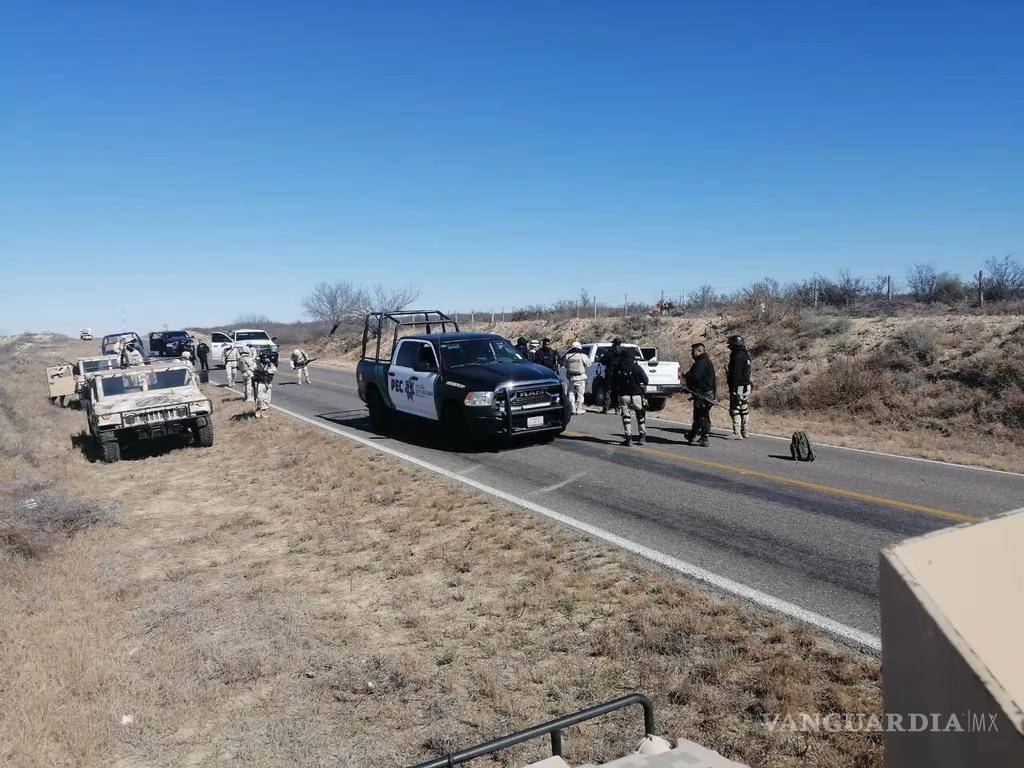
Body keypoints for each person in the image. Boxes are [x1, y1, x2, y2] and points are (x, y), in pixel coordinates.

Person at [683, 342, 717, 447]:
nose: (692, 354)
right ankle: (692, 435)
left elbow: (695, 377)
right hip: (704, 392)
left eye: (693, 351)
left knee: (703, 415)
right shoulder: (704, 361)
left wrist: (686, 378)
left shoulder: (701, 362)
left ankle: (704, 437)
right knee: (698, 415)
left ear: (699, 351)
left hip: (704, 394)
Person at [614, 347, 649, 446]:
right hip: (637, 395)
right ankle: (642, 437)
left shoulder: (619, 368)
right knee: (640, 416)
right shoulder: (636, 367)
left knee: (626, 417)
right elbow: (646, 380)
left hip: (624, 396)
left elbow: (615, 382)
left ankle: (628, 438)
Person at [727, 334, 752, 439]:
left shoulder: (737, 356)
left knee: (735, 408)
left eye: (731, 345)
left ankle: (737, 433)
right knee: (744, 408)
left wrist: (733, 387)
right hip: (747, 384)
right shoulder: (746, 355)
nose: (729, 347)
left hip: (739, 386)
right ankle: (745, 431)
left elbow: (736, 374)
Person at [599, 338, 629, 414]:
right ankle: (617, 409)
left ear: (614, 343)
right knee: (617, 391)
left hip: (609, 373)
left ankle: (606, 408)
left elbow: (603, 361)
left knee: (607, 390)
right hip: (619, 373)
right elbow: (627, 360)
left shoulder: (609, 351)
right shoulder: (623, 352)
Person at [562, 341, 589, 415]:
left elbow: (564, 365)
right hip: (581, 377)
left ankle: (573, 409)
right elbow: (588, 364)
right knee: (580, 394)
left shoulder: (568, 356)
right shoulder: (583, 355)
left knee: (571, 393)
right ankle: (579, 409)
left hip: (571, 378)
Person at [253, 351, 277, 418]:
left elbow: (274, 370)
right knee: (260, 398)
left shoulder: (270, 364)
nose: (266, 359)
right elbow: (252, 369)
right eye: (265, 358)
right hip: (260, 383)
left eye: (267, 358)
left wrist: (269, 365)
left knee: (267, 398)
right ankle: (258, 408)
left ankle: (263, 411)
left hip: (268, 383)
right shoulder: (257, 364)